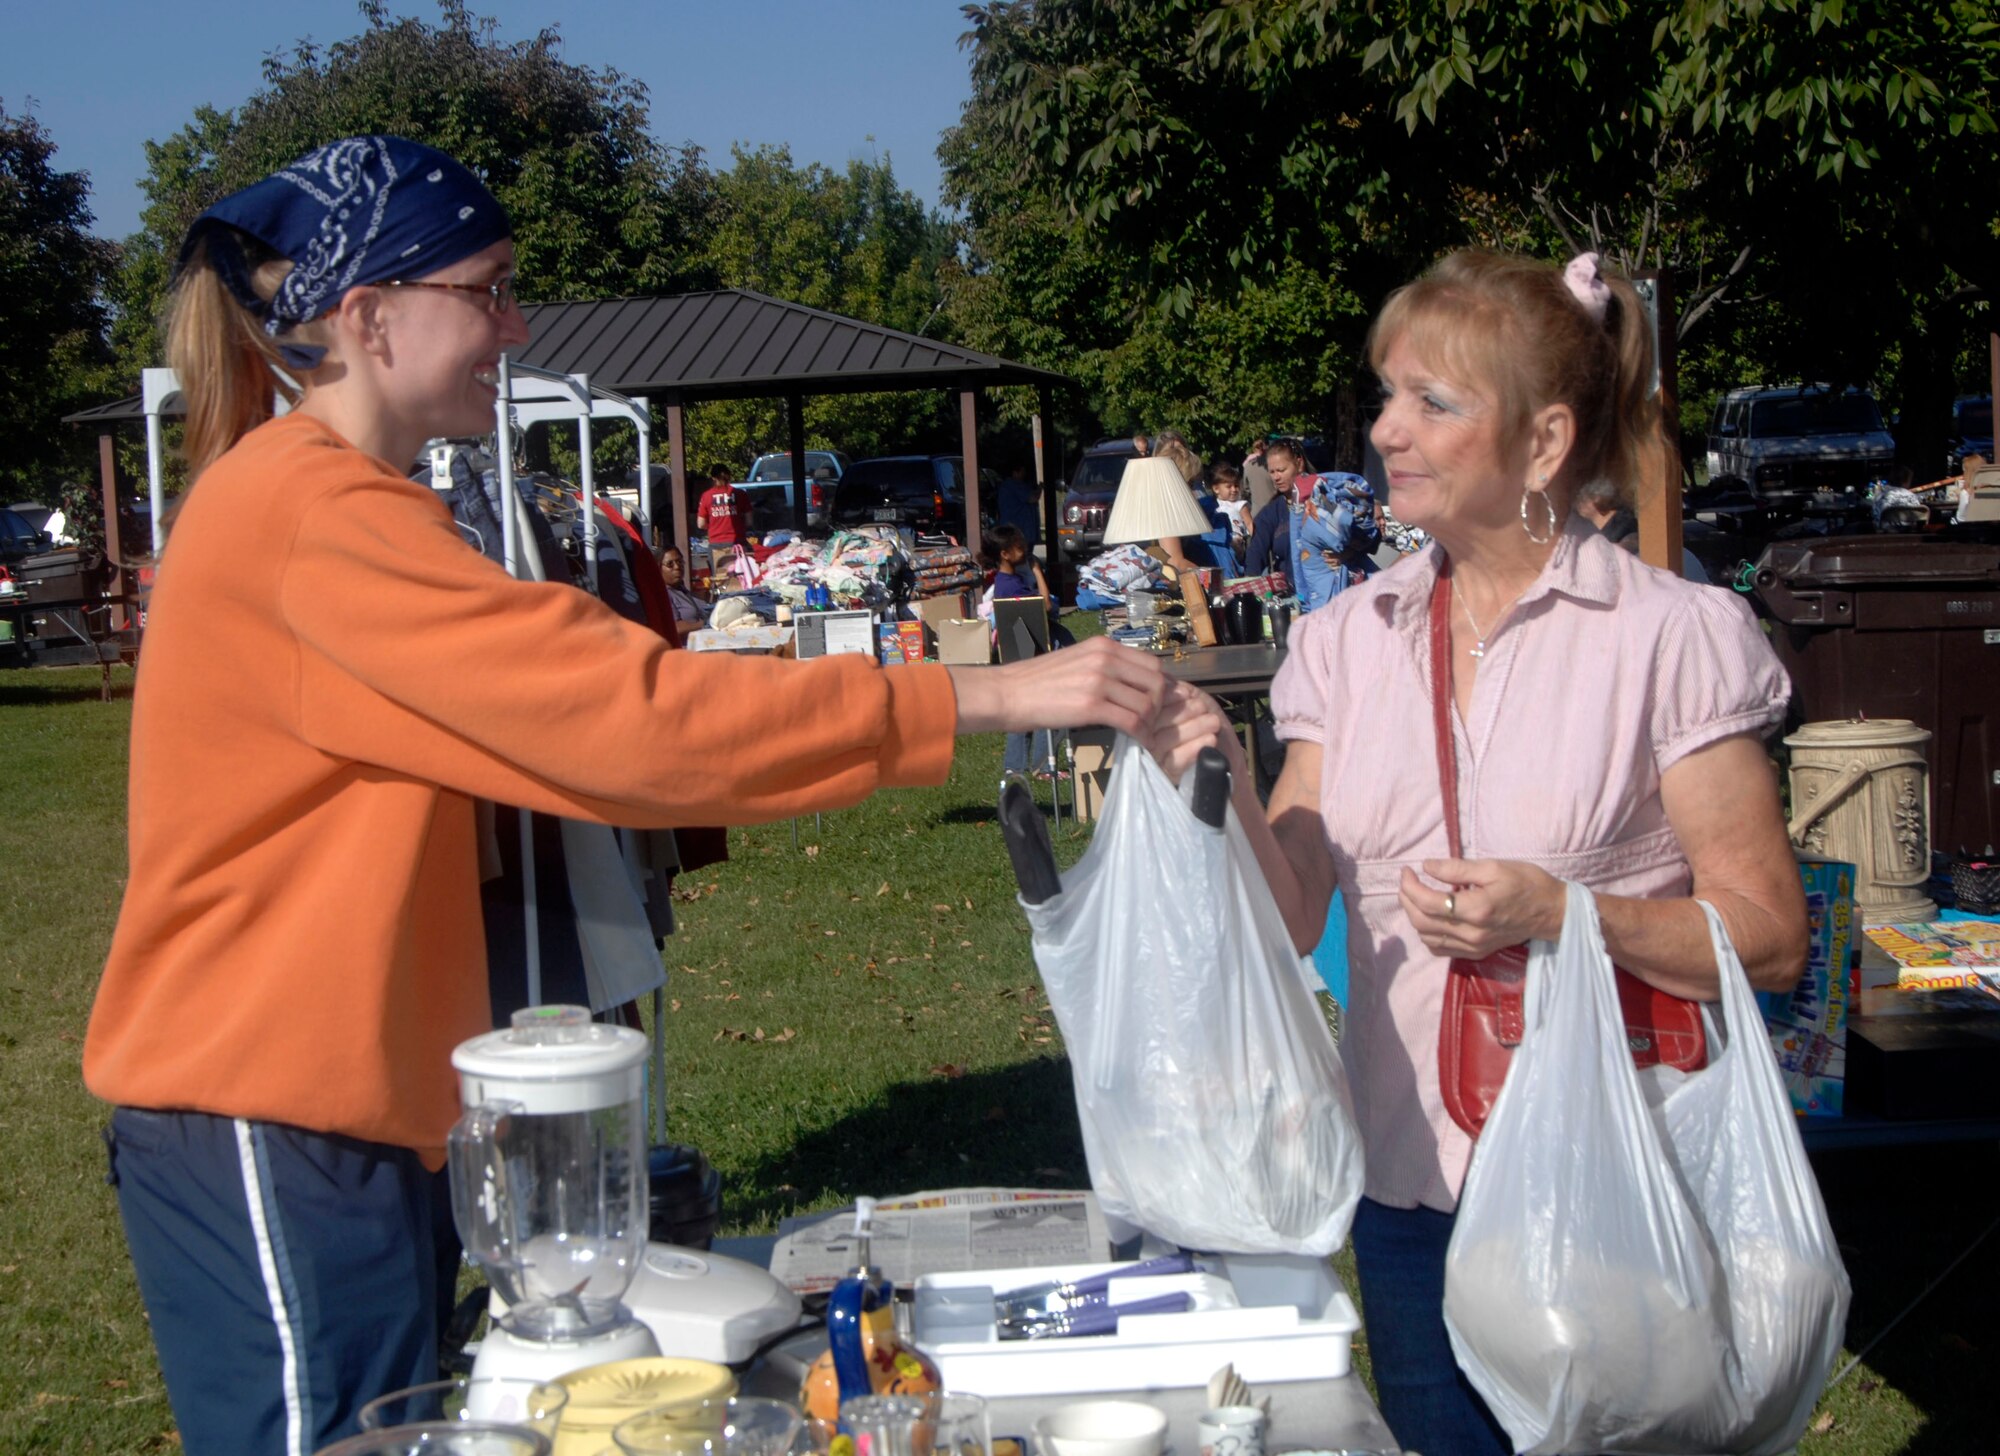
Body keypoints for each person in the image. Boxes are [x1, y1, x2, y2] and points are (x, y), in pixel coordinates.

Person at [81, 135, 1174, 1456]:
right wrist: (983, 695)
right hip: (267, 1111)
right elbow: (635, 724)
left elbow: (593, 725)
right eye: (485, 290)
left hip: (344, 1116)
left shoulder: (332, 505)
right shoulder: (314, 516)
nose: (516, 323)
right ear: (367, 318)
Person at [1146, 249, 1807, 1456]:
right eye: (1386, 394)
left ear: (1544, 442)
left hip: (1614, 1182)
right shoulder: (1347, 642)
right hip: (1411, 1196)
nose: (1385, 430)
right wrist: (1218, 776)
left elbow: (1766, 938)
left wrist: (1565, 914)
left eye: (1431, 404)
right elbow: (1296, 910)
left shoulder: (1670, 637)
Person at [983, 523, 1072, 779]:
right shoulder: (1010, 586)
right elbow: (1043, 606)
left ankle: (1018, 766)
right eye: (1020, 547)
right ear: (1005, 554)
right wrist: (1037, 570)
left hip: (1023, 653)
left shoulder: (1008, 580)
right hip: (1031, 653)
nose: (1025, 551)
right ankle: (1041, 765)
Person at [1572, 476, 1709, 582]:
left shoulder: (1598, 565)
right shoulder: (1683, 556)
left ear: (1599, 499)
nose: (1569, 504)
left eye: (1575, 495)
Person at [1153, 432, 1239, 579]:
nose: (1193, 489)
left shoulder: (1169, 505)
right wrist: (1216, 580)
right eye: (1190, 482)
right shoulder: (1164, 509)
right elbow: (1176, 562)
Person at [657, 543, 710, 641]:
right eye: (670, 564)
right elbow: (676, 628)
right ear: (658, 568)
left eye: (679, 562)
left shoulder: (683, 591)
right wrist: (707, 623)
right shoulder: (663, 595)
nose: (677, 567)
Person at [696, 462, 744, 549]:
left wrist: (713, 527)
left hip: (716, 543)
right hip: (737, 543)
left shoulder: (706, 496)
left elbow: (701, 524)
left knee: (717, 563)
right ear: (729, 476)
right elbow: (749, 521)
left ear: (713, 478)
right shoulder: (740, 494)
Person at [996, 459, 1041, 548]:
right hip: (1019, 527)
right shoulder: (1014, 485)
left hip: (1014, 527)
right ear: (1015, 472)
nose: (1024, 474)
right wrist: (1040, 488)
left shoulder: (1007, 485)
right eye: (1022, 472)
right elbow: (1032, 499)